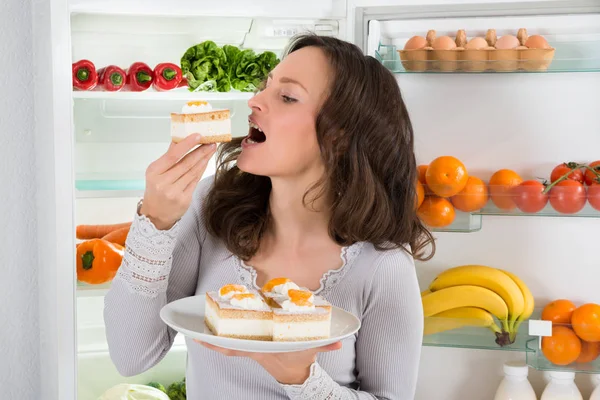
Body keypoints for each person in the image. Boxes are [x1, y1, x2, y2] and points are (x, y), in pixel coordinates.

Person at [104, 32, 435, 400]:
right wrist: (155, 223)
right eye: (265, 86)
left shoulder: (383, 267)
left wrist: (302, 379)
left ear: (340, 136)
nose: (254, 100)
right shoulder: (210, 206)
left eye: (287, 96)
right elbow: (131, 355)